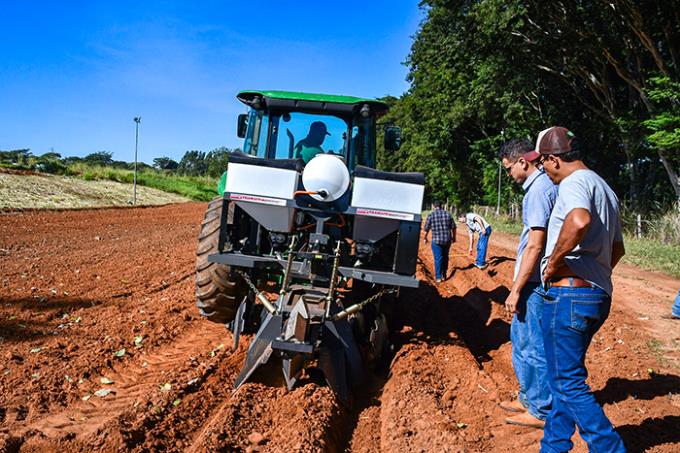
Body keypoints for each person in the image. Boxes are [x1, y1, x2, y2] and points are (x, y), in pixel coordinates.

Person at [536, 126, 626, 452]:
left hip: (568, 295)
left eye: (543, 163)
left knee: (567, 382)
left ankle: (609, 448)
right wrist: (593, 275)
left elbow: (578, 221)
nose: (544, 171)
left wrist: (553, 264)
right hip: (595, 295)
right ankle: (554, 447)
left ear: (553, 159)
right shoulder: (605, 188)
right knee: (564, 378)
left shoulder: (574, 183)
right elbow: (617, 249)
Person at [498, 138, 558, 429]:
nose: (510, 175)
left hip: (533, 282)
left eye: (509, 169)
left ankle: (541, 409)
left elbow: (535, 245)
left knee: (532, 345)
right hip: (532, 280)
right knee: (521, 341)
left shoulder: (538, 191)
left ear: (523, 162)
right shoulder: (542, 187)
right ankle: (528, 397)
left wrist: (516, 288)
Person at [423, 200, 456, 283]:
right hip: (447, 240)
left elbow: (426, 228)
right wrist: (454, 237)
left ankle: (438, 277)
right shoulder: (448, 214)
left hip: (436, 241)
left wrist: (425, 237)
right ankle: (444, 275)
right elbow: (454, 227)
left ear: (434, 206)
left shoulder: (431, 215)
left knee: (438, 258)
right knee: (445, 257)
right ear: (442, 206)